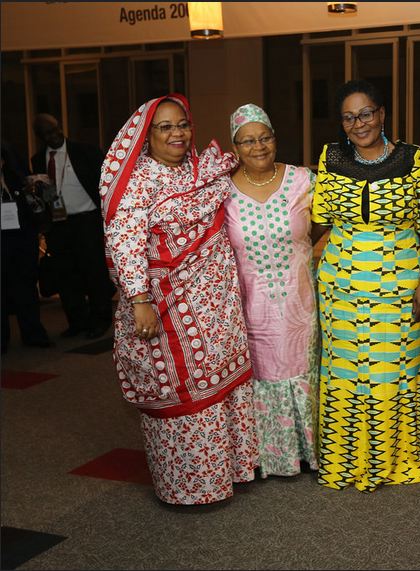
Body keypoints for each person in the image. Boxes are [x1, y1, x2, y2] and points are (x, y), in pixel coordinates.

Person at [100, 94, 258, 504]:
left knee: (222, 382)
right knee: (183, 390)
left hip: (217, 304)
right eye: (165, 126)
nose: (177, 133)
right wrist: (138, 300)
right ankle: (190, 487)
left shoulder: (202, 169)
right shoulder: (138, 180)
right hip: (167, 306)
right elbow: (124, 240)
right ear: (145, 135)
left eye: (182, 124)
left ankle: (232, 471)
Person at [311, 79, 420, 492]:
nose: (358, 123)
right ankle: (347, 459)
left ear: (382, 114)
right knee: (347, 371)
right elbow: (321, 221)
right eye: (349, 117)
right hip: (342, 286)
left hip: (399, 284)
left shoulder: (412, 157)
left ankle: (398, 458)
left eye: (365, 113)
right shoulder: (330, 158)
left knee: (395, 368)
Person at [224, 103, 319, 478]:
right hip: (253, 306)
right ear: (235, 148)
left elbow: (329, 224)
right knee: (264, 371)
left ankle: (310, 451)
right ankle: (271, 455)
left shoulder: (302, 180)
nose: (258, 146)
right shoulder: (223, 193)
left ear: (275, 139)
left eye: (264, 137)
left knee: (303, 366)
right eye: (247, 141)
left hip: (300, 301)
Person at [31, 113, 115, 339]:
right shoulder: (38, 160)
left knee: (93, 272)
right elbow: (46, 193)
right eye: (49, 133)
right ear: (40, 136)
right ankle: (78, 321)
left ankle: (101, 319)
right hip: (59, 224)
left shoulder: (86, 152)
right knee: (66, 275)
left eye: (57, 129)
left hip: (86, 220)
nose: (56, 135)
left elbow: (107, 184)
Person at [2, 141, 52, 353]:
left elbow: (36, 206)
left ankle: (33, 334)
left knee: (26, 287)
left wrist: (34, 189)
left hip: (22, 239)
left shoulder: (18, 179)